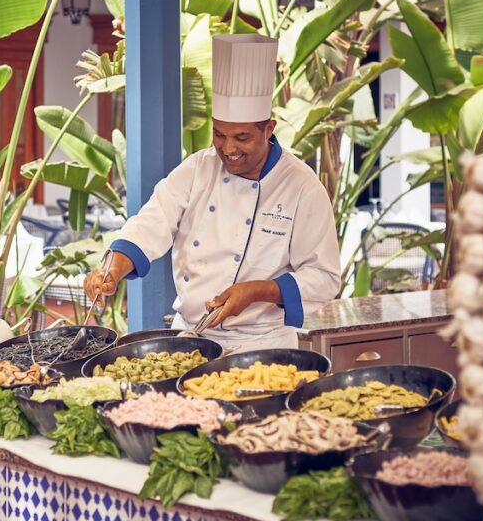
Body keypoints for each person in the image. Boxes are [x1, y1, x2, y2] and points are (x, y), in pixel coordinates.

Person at [84, 35, 341, 351]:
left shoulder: (301, 186)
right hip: (192, 338)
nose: (229, 148)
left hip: (262, 347)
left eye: (242, 137)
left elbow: (324, 277)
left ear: (269, 129)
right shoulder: (197, 170)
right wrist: (113, 268)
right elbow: (151, 223)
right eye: (220, 134)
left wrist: (258, 290)